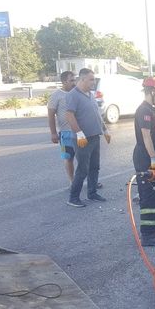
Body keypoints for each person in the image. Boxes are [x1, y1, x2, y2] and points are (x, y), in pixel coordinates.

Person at [65, 68, 111, 207]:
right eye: (91, 79)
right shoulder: (73, 95)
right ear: (82, 79)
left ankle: (92, 193)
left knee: (94, 167)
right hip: (82, 139)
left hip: (94, 136)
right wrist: (79, 133)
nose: (93, 82)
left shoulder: (90, 94)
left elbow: (96, 114)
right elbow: (69, 115)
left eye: (94, 79)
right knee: (83, 169)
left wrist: (105, 130)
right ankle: (73, 198)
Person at [134, 77, 155, 246]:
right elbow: (146, 136)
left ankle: (152, 228)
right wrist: (153, 158)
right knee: (148, 196)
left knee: (154, 194)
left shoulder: (149, 109)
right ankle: (148, 235)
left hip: (150, 156)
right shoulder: (144, 111)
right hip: (145, 157)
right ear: (152, 91)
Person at [48, 71, 77, 184]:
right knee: (68, 157)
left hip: (79, 132)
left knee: (84, 158)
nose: (74, 82)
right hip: (66, 134)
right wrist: (53, 133)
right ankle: (72, 181)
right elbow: (51, 115)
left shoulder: (76, 93)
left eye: (75, 80)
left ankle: (89, 180)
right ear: (64, 81)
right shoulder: (56, 95)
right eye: (71, 80)